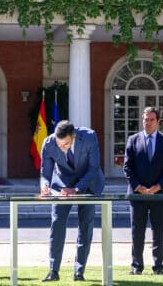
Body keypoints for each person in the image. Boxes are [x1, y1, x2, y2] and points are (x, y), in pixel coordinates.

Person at [39, 120, 106, 282]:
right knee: (57, 225)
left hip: (88, 183)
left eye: (66, 144)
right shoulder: (48, 143)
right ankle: (53, 271)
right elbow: (45, 172)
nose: (62, 148)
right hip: (62, 185)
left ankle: (79, 271)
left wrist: (76, 189)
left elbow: (93, 168)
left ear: (74, 136)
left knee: (85, 227)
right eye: (59, 144)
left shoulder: (89, 137)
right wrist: (45, 185)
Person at [123, 107, 163, 275]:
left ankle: (158, 267)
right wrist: (139, 187)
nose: (148, 122)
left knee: (158, 231)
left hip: (159, 194)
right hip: (138, 194)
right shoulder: (133, 140)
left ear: (158, 121)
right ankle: (136, 266)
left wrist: (157, 187)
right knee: (137, 231)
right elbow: (127, 167)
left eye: (152, 119)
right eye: (146, 119)